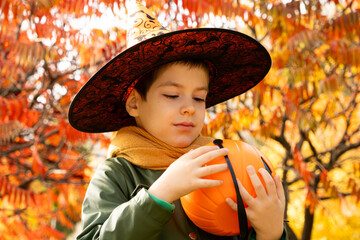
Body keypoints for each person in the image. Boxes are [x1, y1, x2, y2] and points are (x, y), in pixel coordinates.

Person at [68, 1, 287, 240]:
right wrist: (160, 193)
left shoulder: (225, 162)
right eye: (172, 95)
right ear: (134, 103)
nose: (188, 109)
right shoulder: (117, 174)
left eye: (199, 98)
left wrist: (271, 231)